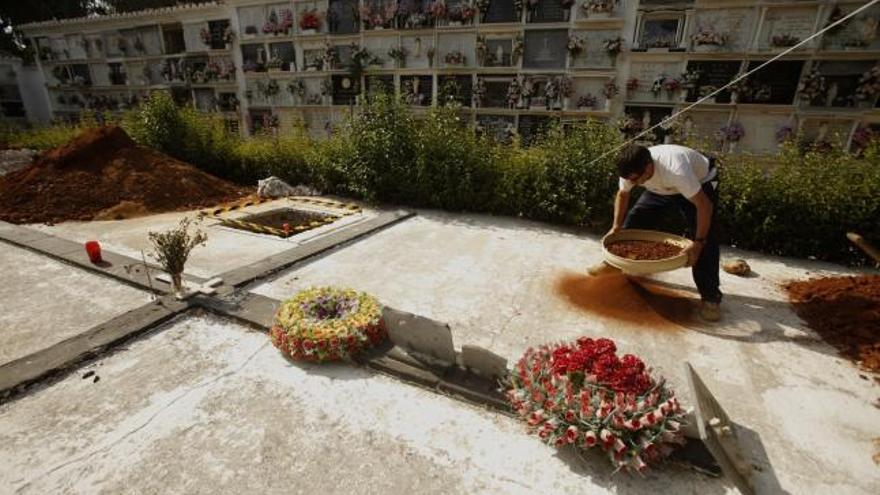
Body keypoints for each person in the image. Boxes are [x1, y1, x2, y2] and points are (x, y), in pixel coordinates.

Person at [588, 144, 723, 322]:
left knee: (705, 240)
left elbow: (705, 206)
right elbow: (623, 195)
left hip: (700, 183)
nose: (633, 184)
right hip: (660, 188)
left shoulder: (676, 170)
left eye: (636, 179)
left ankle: (710, 298)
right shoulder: (632, 169)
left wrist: (698, 242)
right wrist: (616, 227)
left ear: (649, 166)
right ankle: (613, 264)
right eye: (630, 180)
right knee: (635, 220)